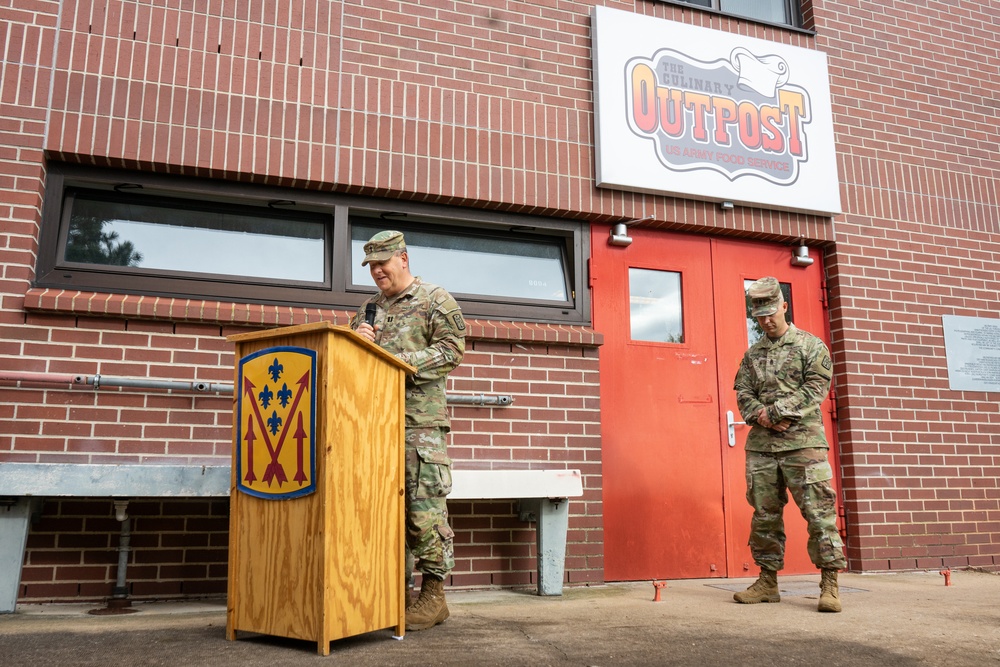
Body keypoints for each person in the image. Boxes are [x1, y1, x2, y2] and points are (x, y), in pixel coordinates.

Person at [350, 230, 465, 631]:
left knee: (422, 512)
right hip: (373, 425)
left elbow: (452, 351)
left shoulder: (435, 299)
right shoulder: (368, 309)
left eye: (383, 262)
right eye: (371, 266)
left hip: (420, 426)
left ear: (403, 258)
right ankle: (392, 594)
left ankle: (433, 596)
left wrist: (395, 359)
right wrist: (355, 341)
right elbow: (353, 363)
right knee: (382, 512)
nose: (378, 271)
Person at [732, 276, 847, 613]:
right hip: (762, 448)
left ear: (784, 306)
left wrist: (779, 411)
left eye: (771, 313)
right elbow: (743, 392)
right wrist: (763, 417)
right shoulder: (752, 355)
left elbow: (816, 387)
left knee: (819, 513)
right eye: (760, 317)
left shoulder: (811, 346)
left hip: (804, 446)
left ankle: (829, 583)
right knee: (764, 516)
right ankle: (767, 581)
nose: (767, 321)